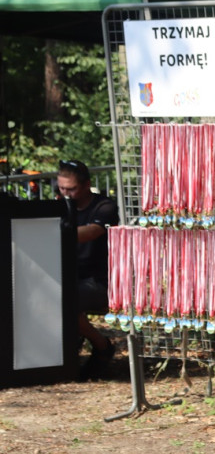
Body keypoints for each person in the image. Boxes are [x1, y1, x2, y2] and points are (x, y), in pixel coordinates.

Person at [56, 159, 119, 380]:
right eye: (61, 188)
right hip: (68, 278)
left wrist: (53, 231)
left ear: (86, 185)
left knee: (64, 299)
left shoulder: (105, 207)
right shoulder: (60, 204)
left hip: (100, 282)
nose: (65, 193)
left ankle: (101, 344)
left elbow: (92, 232)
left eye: (71, 189)